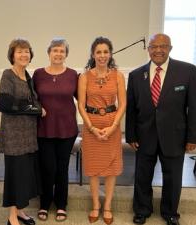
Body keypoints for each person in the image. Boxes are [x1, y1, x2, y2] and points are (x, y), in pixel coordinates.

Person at [125, 33, 196, 225]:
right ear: (148, 49)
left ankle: (170, 213)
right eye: (153, 46)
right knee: (142, 176)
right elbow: (132, 108)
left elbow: (194, 106)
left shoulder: (188, 71)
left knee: (173, 178)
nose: (158, 50)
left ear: (170, 48)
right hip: (144, 135)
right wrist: (131, 134)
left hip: (175, 136)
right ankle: (142, 210)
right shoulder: (136, 75)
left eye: (163, 46)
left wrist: (194, 137)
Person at [78, 37, 126, 225]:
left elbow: (123, 104)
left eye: (106, 52)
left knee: (111, 169)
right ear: (92, 54)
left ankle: (107, 206)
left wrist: (113, 127)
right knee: (93, 169)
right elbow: (81, 105)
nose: (102, 55)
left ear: (111, 54)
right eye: (99, 52)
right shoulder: (84, 77)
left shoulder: (118, 76)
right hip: (91, 126)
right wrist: (90, 127)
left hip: (112, 125)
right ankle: (96, 205)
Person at [32, 38, 78, 222]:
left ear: (66, 54)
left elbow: (82, 100)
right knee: (47, 168)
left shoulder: (74, 74)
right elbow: (31, 97)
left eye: (62, 51)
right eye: (55, 50)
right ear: (49, 53)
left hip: (67, 129)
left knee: (62, 168)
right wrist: (37, 108)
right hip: (44, 129)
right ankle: (44, 203)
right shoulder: (38, 74)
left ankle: (61, 205)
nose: (58, 54)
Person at [0, 38, 42, 225]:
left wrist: (36, 107)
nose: (24, 55)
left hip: (29, 136)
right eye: (19, 51)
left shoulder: (28, 76)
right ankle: (12, 216)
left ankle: (21, 212)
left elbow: (32, 102)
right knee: (15, 177)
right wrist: (35, 108)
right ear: (12, 55)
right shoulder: (8, 75)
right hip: (14, 137)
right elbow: (5, 104)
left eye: (26, 51)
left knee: (25, 177)